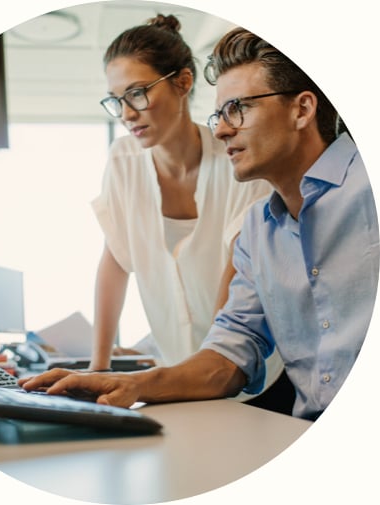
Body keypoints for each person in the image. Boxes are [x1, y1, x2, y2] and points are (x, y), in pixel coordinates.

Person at [19, 25, 379, 422]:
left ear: (302, 109)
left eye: (238, 108)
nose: (223, 128)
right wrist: (124, 381)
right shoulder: (259, 230)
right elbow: (229, 354)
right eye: (220, 114)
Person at [87, 15, 274, 379]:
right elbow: (115, 261)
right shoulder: (123, 161)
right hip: (176, 364)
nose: (127, 113)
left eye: (138, 93)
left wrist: (203, 372)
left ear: (183, 82)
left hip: (247, 372)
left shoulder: (238, 161)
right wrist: (98, 367)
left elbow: (238, 273)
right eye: (116, 100)